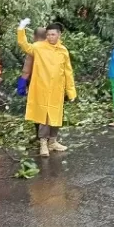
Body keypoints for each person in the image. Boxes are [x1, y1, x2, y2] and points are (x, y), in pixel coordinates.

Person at [17, 19, 77, 157]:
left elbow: (68, 71)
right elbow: (24, 45)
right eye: (48, 34)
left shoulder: (63, 51)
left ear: (59, 35)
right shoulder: (38, 47)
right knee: (44, 117)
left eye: (53, 34)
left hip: (57, 89)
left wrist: (71, 91)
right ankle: (43, 143)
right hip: (42, 89)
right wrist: (21, 28)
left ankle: (53, 141)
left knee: (56, 116)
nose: (50, 37)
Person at [17, 27, 47, 142]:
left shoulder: (34, 49)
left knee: (37, 110)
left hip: (36, 84)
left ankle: (40, 136)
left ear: (34, 37)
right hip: (50, 84)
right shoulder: (53, 48)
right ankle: (49, 137)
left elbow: (26, 69)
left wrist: (22, 84)